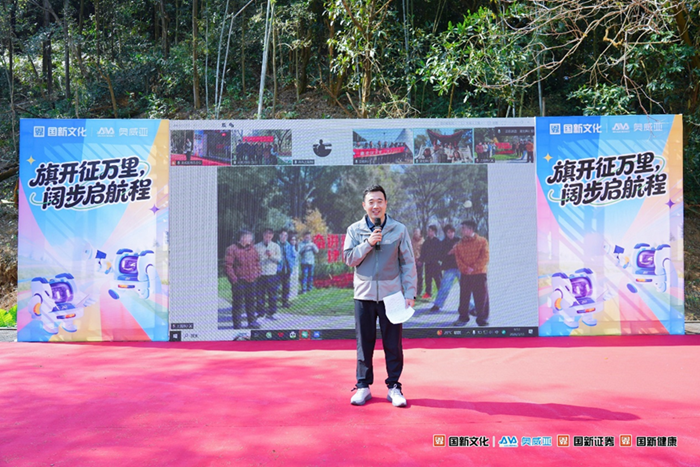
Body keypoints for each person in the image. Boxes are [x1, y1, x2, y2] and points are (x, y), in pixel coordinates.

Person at [343, 185, 416, 408]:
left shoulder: (398, 229)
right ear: (364, 205)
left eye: (379, 201)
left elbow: (408, 262)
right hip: (363, 295)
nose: (375, 205)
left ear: (386, 204)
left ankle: (394, 386)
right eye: (371, 202)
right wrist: (368, 244)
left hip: (391, 296)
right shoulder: (354, 230)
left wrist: (409, 292)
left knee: (393, 344)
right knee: (364, 343)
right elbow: (349, 259)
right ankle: (363, 386)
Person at [453, 220, 489, 327]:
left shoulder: (482, 241)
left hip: (479, 274)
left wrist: (473, 268)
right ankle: (463, 318)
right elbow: (458, 259)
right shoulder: (459, 245)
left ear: (470, 229)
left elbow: (485, 257)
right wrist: (465, 269)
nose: (461, 230)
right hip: (465, 274)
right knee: (464, 297)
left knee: (481, 297)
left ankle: (482, 319)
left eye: (463, 228)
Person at [224, 230, 262, 330]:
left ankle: (252, 322)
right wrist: (234, 280)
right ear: (242, 238)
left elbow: (257, 262)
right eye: (249, 237)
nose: (251, 239)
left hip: (252, 281)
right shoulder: (232, 249)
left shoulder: (253, 249)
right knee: (238, 304)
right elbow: (228, 266)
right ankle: (237, 325)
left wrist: (258, 273)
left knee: (251, 302)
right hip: (239, 282)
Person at [430, 224, 460, 312]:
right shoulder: (442, 243)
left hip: (461, 267)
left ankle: (471, 307)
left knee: (466, 288)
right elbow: (440, 256)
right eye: (448, 232)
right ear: (446, 233)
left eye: (452, 232)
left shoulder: (459, 241)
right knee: (444, 287)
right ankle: (438, 304)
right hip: (449, 268)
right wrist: (449, 253)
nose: (451, 234)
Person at [255, 228, 281, 319]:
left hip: (272, 274)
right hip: (260, 274)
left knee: (272, 294)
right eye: (266, 236)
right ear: (263, 235)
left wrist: (271, 256)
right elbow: (254, 260)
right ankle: (261, 313)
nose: (268, 238)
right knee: (260, 295)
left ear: (272, 236)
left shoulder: (276, 246)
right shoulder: (257, 246)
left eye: (270, 236)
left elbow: (279, 259)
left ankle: (273, 312)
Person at [277, 229, 297, 308]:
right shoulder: (276, 245)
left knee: (286, 286)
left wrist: (291, 266)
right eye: (282, 235)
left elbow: (293, 257)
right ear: (279, 236)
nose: (284, 237)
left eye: (286, 235)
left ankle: (285, 302)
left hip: (287, 269)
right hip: (278, 269)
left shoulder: (289, 245)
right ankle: (273, 303)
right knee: (276, 287)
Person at [421, 225, 442, 298]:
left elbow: (440, 253)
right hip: (428, 264)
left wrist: (439, 260)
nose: (429, 232)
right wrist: (421, 260)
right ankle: (428, 293)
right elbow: (423, 252)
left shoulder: (438, 242)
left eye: (431, 231)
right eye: (428, 231)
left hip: (435, 264)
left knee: (438, 279)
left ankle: (441, 293)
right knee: (428, 280)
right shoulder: (426, 242)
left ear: (434, 232)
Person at [411, 228, 424, 299]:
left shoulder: (422, 241)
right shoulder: (411, 241)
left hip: (419, 261)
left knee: (420, 276)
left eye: (417, 232)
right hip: (412, 261)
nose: (416, 233)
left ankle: (419, 291)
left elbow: (424, 252)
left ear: (420, 233)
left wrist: (420, 260)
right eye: (415, 232)